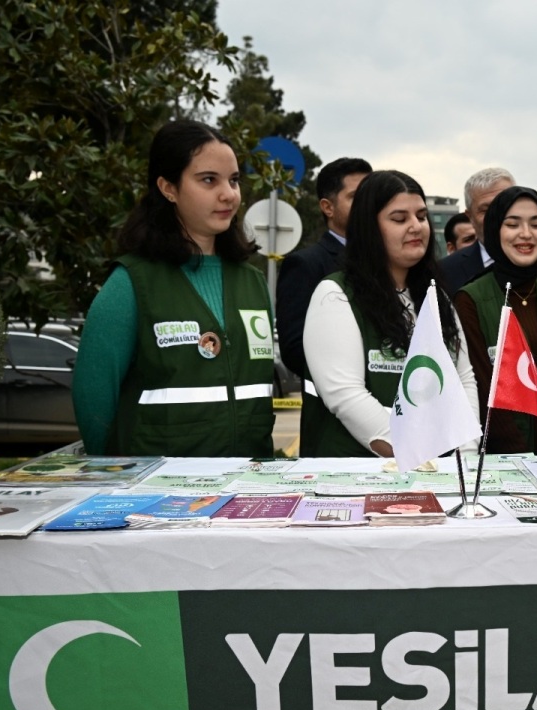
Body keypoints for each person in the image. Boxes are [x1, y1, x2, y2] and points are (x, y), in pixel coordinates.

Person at [74, 119, 274, 458]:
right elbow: (93, 396)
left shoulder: (252, 282)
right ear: (168, 188)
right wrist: (108, 473)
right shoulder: (132, 283)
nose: (228, 194)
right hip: (156, 493)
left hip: (246, 484)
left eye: (234, 180)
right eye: (209, 180)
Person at [300, 170, 478, 457]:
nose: (415, 227)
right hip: (357, 482)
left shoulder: (436, 297)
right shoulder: (334, 295)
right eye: (399, 219)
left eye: (421, 217)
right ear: (369, 228)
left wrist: (465, 455)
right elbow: (346, 396)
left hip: (438, 476)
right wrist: (422, 455)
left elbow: (463, 379)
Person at [453, 186, 537, 454]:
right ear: (493, 231)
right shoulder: (470, 300)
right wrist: (522, 459)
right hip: (500, 463)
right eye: (512, 224)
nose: (526, 234)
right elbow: (481, 389)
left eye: (536, 224)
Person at [275, 156, 372, 378]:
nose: (367, 205)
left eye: (371, 197)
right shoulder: (305, 265)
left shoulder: (389, 260)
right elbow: (294, 350)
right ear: (328, 207)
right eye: (356, 197)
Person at [438, 167, 537, 295]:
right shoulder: (446, 271)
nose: (496, 216)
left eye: (506, 207)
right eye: (486, 210)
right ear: (470, 217)